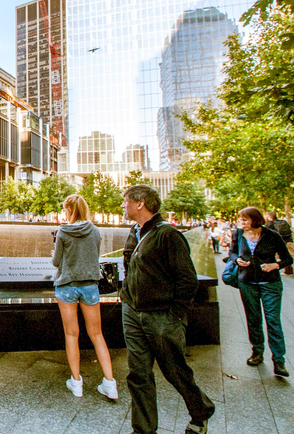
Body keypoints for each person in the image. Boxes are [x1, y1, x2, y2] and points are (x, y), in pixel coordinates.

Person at [120, 185, 214, 434]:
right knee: (138, 373)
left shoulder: (168, 235)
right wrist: (127, 298)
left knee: (175, 371)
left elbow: (187, 279)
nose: (123, 205)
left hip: (161, 316)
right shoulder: (135, 231)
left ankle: (201, 410)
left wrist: (174, 314)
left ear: (140, 204)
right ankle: (143, 429)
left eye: (126, 201)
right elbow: (131, 268)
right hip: (132, 312)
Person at [51, 194, 117, 400]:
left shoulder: (63, 232)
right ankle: (110, 384)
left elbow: (55, 262)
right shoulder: (95, 231)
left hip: (67, 286)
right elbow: (93, 257)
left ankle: (77, 383)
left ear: (69, 211)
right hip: (90, 286)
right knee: (97, 334)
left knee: (72, 335)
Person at [228, 207, 292, 376]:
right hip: (247, 283)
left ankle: (279, 361)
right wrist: (237, 260)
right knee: (253, 319)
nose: (240, 222)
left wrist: (275, 265)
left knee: (273, 321)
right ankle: (257, 352)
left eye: (244, 220)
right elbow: (232, 252)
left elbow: (288, 258)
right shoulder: (238, 234)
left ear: (255, 220)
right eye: (239, 219)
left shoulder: (272, 235)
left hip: (270, 284)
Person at [264, 211, 293, 275]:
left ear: (270, 217)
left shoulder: (270, 224)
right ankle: (289, 271)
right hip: (288, 240)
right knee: (286, 256)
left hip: (277, 242)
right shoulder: (283, 222)